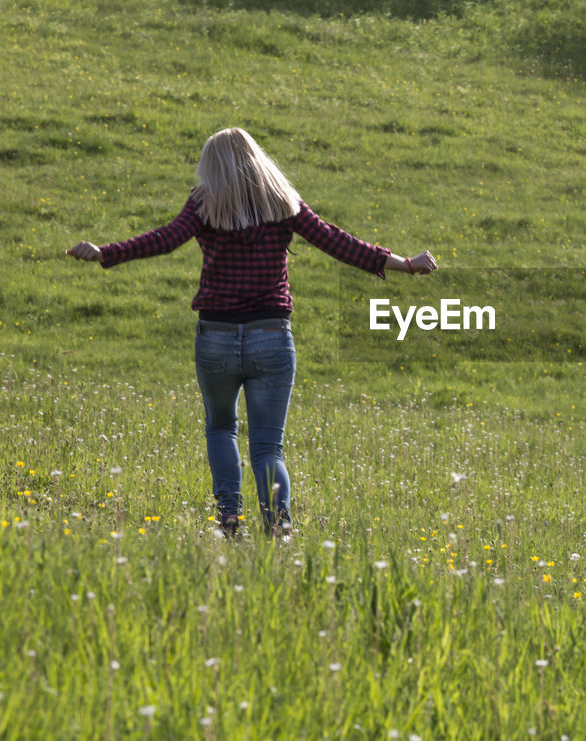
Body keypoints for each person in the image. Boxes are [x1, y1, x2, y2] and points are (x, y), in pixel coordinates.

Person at [67, 127, 436, 539]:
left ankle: (229, 519)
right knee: (267, 447)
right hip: (271, 337)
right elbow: (337, 241)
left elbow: (165, 239)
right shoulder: (283, 202)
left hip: (216, 338)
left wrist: (107, 252)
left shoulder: (204, 203)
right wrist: (404, 262)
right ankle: (278, 528)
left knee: (221, 428)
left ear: (212, 166)